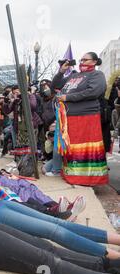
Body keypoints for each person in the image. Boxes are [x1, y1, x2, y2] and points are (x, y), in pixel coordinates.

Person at [52, 52, 108, 186]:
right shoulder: (74, 75)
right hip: (69, 117)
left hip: (86, 116)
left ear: (94, 62)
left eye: (86, 59)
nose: (82, 61)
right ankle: (71, 175)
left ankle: (88, 179)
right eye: (81, 59)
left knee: (85, 148)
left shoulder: (97, 75)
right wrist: (62, 71)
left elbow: (94, 91)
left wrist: (68, 98)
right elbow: (55, 85)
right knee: (72, 148)